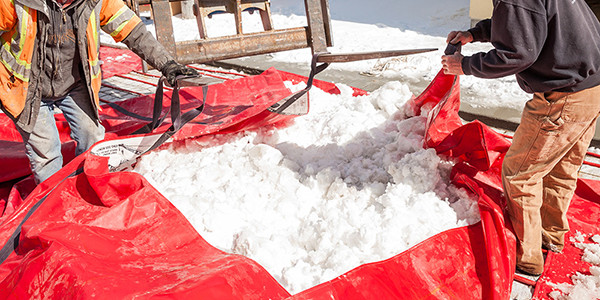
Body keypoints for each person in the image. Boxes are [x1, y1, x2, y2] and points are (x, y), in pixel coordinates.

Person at [441, 0, 600, 276]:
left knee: (519, 174)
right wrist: (475, 34)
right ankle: (550, 236)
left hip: (562, 96)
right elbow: (527, 25)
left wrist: (465, 65)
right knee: (559, 168)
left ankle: (527, 257)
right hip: (590, 86)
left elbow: (518, 53)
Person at [0, 0, 197, 184]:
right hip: (28, 88)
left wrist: (168, 65)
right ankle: (53, 205)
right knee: (47, 154)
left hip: (76, 85)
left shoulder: (99, 2)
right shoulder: (16, 2)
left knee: (92, 138)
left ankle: (85, 187)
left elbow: (133, 31)